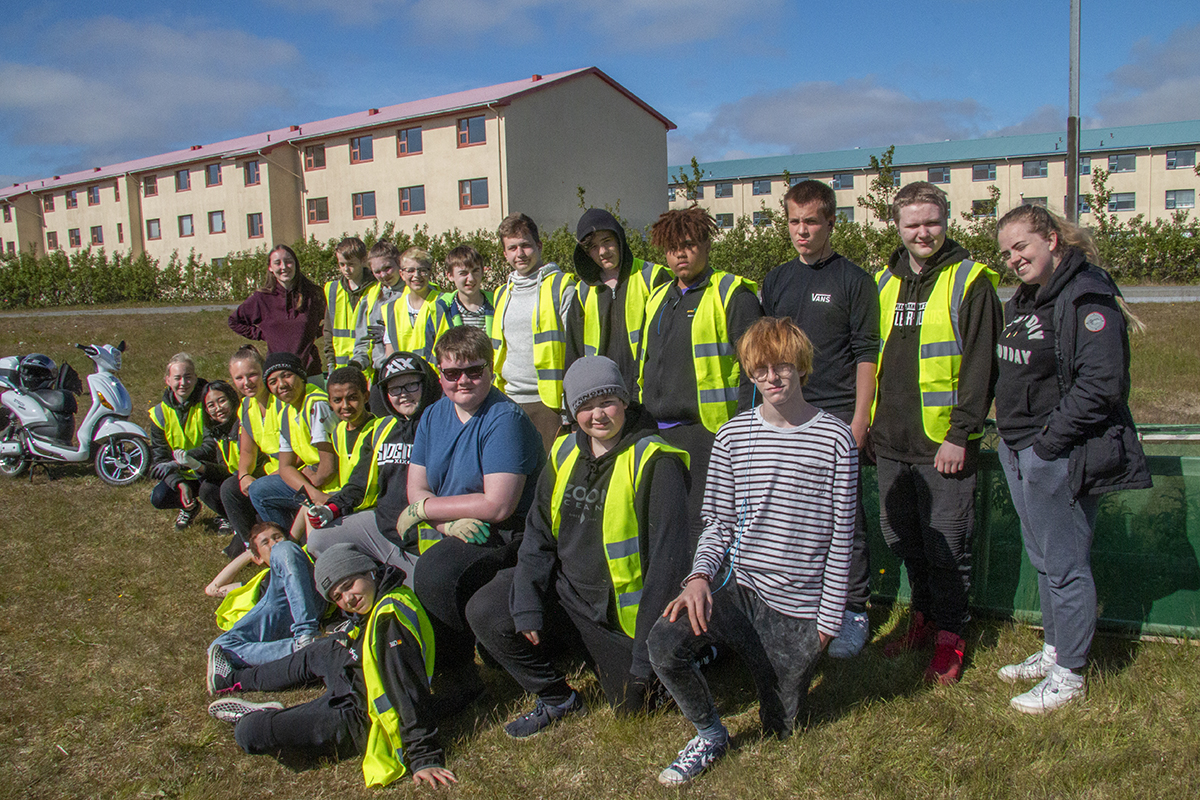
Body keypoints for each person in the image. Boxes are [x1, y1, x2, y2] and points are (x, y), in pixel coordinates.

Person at [647, 317, 856, 785]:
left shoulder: (836, 439)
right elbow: (717, 523)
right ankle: (709, 734)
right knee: (662, 643)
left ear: (801, 365)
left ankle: (780, 677)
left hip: (798, 606)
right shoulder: (732, 438)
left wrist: (827, 620)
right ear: (748, 372)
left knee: (782, 727)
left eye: (782, 365)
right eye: (760, 369)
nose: (772, 377)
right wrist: (699, 578)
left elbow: (844, 536)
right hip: (740, 589)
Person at [467, 356, 691, 737]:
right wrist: (526, 604)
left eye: (606, 401)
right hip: (567, 593)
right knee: (486, 611)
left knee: (637, 709)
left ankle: (687, 655)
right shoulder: (565, 452)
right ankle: (558, 697)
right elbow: (538, 535)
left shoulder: (656, 461)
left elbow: (667, 570)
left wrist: (642, 661)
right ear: (572, 411)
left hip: (619, 618)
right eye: (585, 406)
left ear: (624, 400)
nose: (597, 415)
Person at [992, 204, 1151, 713]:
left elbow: (1102, 385)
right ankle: (1056, 649)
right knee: (1043, 560)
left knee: (1065, 565)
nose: (1013, 258)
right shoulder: (1028, 297)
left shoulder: (1088, 296)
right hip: (1017, 448)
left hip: (1056, 452)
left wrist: (1046, 445)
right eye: (1006, 252)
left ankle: (1070, 675)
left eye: (1021, 246)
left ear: (1052, 239)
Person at [871, 181, 1001, 684]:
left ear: (946, 221)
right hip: (889, 442)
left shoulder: (971, 281)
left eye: (932, 222)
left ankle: (951, 636)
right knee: (902, 537)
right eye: (912, 224)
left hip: (942, 443)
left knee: (947, 544)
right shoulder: (884, 282)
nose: (922, 232)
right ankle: (921, 618)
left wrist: (961, 434)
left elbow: (980, 366)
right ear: (898, 227)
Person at [207, 543, 455, 789]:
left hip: (359, 716)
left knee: (250, 733)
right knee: (321, 649)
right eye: (337, 597)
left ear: (369, 571)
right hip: (354, 676)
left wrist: (424, 758)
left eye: (349, 585)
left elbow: (406, 689)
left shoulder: (389, 622)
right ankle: (231, 679)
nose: (348, 599)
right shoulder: (382, 596)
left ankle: (257, 716)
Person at [760, 179, 880, 658]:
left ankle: (853, 610)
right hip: (786, 416)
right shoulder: (776, 280)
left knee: (844, 517)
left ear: (831, 221)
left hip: (835, 416)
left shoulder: (853, 280)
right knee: (793, 512)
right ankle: (802, 602)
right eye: (794, 221)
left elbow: (867, 354)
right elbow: (767, 354)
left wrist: (860, 419)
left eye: (811, 221)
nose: (802, 231)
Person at [407, 325, 545, 686]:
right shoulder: (433, 416)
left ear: (490, 370)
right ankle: (446, 664)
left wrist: (425, 512)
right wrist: (443, 524)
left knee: (436, 572)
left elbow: (498, 505)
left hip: (510, 533)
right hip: (458, 529)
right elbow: (416, 487)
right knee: (433, 566)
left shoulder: (504, 420)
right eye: (452, 373)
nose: (462, 381)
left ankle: (457, 674)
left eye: (474, 371)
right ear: (440, 375)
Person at [637, 206, 761, 545]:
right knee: (662, 528)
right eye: (672, 246)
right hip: (657, 433)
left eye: (690, 244)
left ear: (707, 244)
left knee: (703, 529)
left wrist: (745, 432)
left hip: (708, 435)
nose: (680, 253)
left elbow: (755, 374)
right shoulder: (658, 298)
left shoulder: (733, 294)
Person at [305, 351, 442, 575]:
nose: (403, 395)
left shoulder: (444, 425)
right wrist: (332, 508)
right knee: (318, 540)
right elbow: (360, 481)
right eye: (395, 389)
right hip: (381, 528)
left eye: (411, 385)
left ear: (425, 384)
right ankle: (371, 579)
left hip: (424, 535)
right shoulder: (383, 428)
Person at [490, 212, 577, 450]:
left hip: (548, 404)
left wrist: (567, 406)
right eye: (512, 248)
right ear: (505, 253)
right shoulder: (501, 293)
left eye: (526, 245)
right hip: (506, 399)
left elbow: (575, 349)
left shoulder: (561, 287)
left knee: (547, 478)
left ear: (538, 246)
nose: (520, 254)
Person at [565, 208, 670, 390]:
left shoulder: (653, 277)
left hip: (649, 392)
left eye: (607, 241)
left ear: (619, 239)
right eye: (593, 247)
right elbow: (573, 354)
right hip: (603, 396)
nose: (603, 251)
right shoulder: (582, 291)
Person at [205, 521, 325, 668]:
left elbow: (306, 510)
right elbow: (213, 589)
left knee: (284, 549)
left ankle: (306, 633)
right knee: (218, 648)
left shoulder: (302, 554)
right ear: (258, 558)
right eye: (265, 542)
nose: (274, 543)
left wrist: (283, 546)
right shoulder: (259, 581)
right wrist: (249, 554)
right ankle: (299, 647)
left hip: (310, 597)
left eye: (277, 536)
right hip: (276, 613)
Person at [246, 353, 336, 532]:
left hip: (331, 481)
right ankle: (283, 540)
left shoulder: (316, 404)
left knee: (261, 490)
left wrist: (311, 481)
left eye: (287, 375)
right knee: (258, 489)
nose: (281, 385)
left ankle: (291, 538)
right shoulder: (286, 412)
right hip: (313, 482)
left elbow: (328, 469)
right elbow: (285, 467)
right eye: (273, 382)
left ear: (301, 376)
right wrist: (309, 489)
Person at [220, 345, 282, 557]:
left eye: (252, 374)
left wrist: (265, 480)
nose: (246, 383)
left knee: (260, 489)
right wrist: (244, 474)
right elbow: (247, 451)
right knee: (230, 488)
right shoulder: (246, 406)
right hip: (270, 470)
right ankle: (253, 546)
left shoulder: (281, 401)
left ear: (264, 371)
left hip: (292, 469)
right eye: (239, 378)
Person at [228, 244, 326, 376]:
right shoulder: (261, 298)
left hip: (310, 371)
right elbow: (234, 321)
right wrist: (262, 334)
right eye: (277, 263)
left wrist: (315, 332)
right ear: (270, 268)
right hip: (277, 373)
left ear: (296, 264)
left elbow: (333, 319)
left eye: (288, 262)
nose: (284, 267)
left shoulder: (313, 295)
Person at [148, 352, 209, 530]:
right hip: (182, 474)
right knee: (158, 497)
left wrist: (180, 462)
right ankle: (189, 507)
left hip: (206, 470)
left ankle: (224, 513)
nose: (183, 383)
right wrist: (179, 483)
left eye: (188, 377)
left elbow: (211, 446)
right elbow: (160, 458)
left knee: (212, 490)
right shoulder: (159, 414)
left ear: (196, 378)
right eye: (177, 378)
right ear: (167, 380)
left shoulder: (207, 405)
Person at [173, 379, 242, 535]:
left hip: (251, 480)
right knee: (207, 488)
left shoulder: (243, 423)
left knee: (228, 485)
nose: (218, 409)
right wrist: (197, 466)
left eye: (222, 401)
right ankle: (229, 517)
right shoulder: (218, 432)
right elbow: (224, 469)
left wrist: (198, 465)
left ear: (232, 399)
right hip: (235, 480)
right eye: (211, 405)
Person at [350, 240, 408, 380]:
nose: (383, 275)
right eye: (377, 271)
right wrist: (356, 363)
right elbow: (363, 341)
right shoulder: (370, 298)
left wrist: (389, 335)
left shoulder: (413, 293)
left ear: (399, 263)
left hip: (408, 369)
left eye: (387, 268)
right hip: (380, 372)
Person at [322, 237, 375, 378]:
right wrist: (331, 364)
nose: (346, 269)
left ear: (363, 261)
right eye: (342, 264)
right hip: (340, 368)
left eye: (351, 264)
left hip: (369, 368)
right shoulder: (333, 290)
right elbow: (328, 331)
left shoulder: (376, 288)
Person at [383, 247, 444, 361]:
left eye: (422, 270)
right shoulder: (392, 309)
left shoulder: (443, 303)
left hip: (435, 376)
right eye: (410, 270)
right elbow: (390, 353)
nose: (417, 275)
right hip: (404, 376)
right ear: (401, 274)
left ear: (430, 272)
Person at [435, 245, 494, 336]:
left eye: (475, 271)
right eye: (463, 273)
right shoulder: (440, 309)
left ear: (482, 272)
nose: (470, 279)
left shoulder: (497, 303)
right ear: (450, 276)